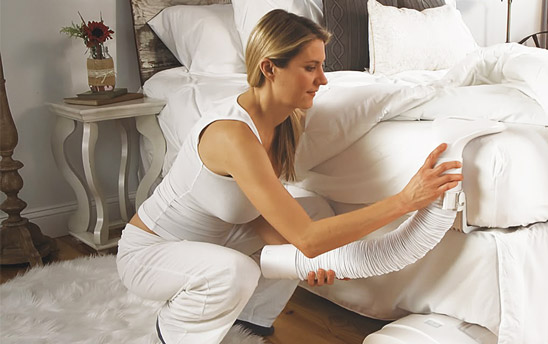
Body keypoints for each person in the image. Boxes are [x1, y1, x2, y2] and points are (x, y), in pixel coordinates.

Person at [116, 9, 462, 344]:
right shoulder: (232, 135)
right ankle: (172, 332)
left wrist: (308, 259)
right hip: (151, 252)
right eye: (310, 68)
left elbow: (260, 217)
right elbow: (308, 239)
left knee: (311, 209)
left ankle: (250, 317)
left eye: (322, 66)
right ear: (269, 68)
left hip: (214, 240)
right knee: (238, 269)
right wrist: (405, 201)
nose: (323, 79)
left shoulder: (285, 122)